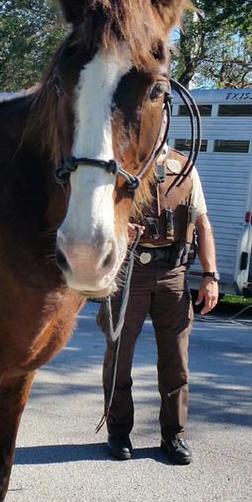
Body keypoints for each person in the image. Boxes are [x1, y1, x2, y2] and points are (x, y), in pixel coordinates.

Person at [97, 147, 217, 465]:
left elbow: (202, 223)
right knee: (119, 356)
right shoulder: (121, 164)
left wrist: (210, 276)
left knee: (176, 361)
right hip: (129, 272)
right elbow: (97, 216)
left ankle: (173, 436)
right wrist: (120, 228)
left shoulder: (185, 168)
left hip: (174, 274)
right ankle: (119, 432)